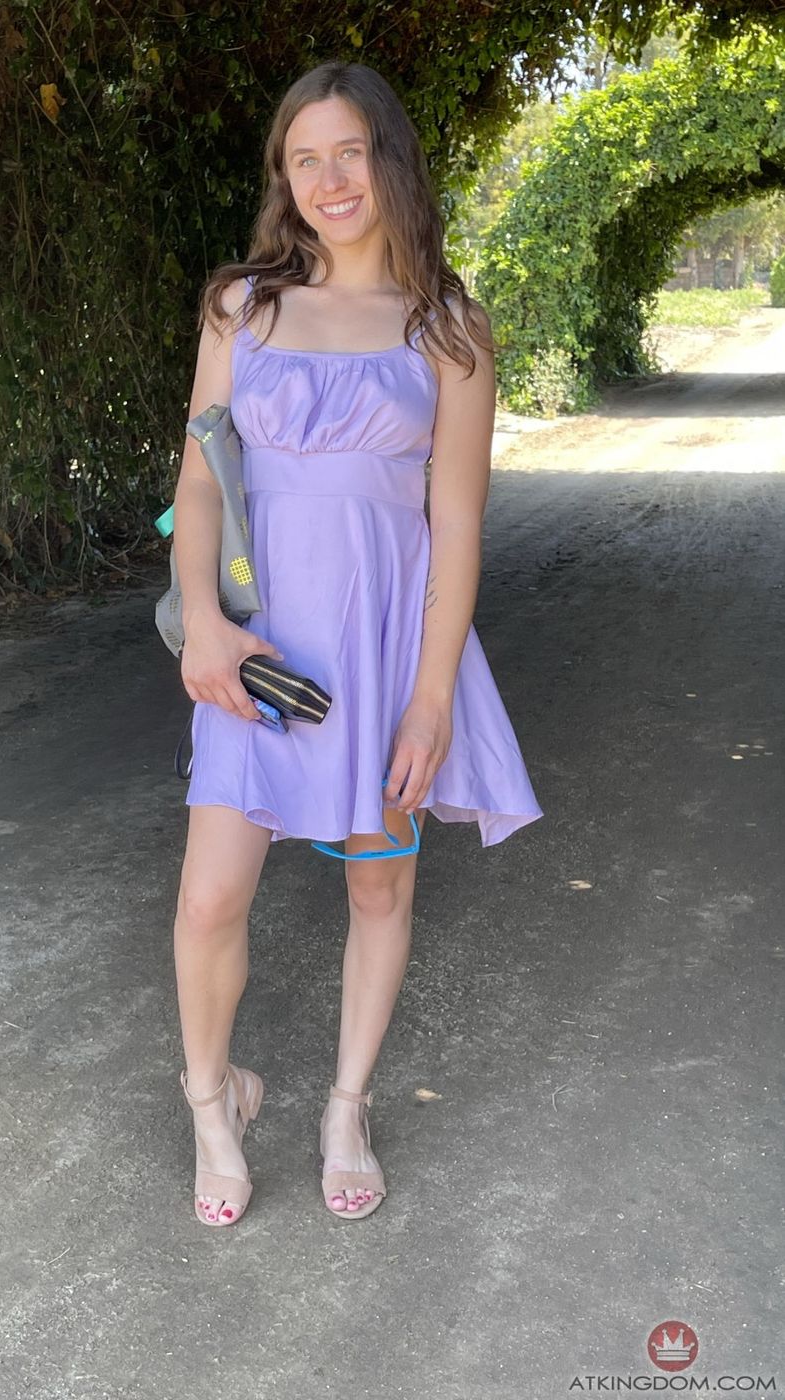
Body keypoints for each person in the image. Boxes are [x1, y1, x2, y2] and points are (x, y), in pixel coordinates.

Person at [169, 59, 542, 1228]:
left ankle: (345, 1106)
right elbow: (199, 481)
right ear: (283, 178)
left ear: (390, 161)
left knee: (378, 886)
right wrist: (204, 627)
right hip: (256, 650)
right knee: (209, 897)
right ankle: (212, 1102)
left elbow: (457, 525)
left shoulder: (449, 328)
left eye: (350, 152)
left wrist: (430, 699)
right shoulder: (239, 307)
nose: (330, 180)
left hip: (382, 648)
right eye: (304, 158)